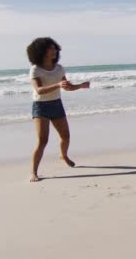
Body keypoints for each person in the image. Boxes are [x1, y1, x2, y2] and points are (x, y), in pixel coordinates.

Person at [27, 37, 90, 182]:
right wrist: (58, 85)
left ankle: (64, 155)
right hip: (41, 106)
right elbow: (39, 90)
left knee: (66, 136)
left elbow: (66, 86)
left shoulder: (59, 68)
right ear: (42, 51)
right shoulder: (35, 69)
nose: (54, 51)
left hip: (56, 104)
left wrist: (80, 86)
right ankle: (33, 172)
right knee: (43, 141)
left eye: (55, 48)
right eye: (51, 48)